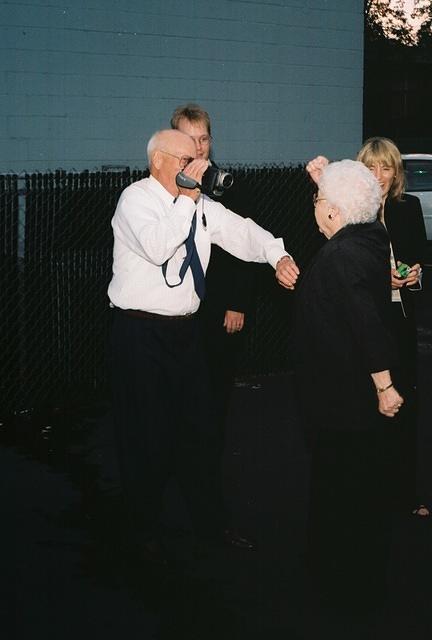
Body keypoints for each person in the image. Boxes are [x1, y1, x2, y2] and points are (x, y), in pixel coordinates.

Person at [108, 129, 299, 564]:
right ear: (157, 160)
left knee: (199, 431)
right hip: (139, 334)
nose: (194, 166)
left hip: (185, 333)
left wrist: (277, 255)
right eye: (184, 158)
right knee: (145, 436)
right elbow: (158, 248)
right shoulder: (135, 200)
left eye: (198, 157)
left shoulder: (198, 205)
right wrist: (189, 201)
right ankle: (143, 530)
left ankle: (211, 523)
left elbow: (243, 231)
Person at [278, 159, 403, 614]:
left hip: (343, 399)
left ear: (332, 212)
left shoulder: (340, 256)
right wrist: (327, 184)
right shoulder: (370, 236)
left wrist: (384, 385)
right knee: (352, 487)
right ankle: (341, 574)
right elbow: (356, 205)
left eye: (318, 201)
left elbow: (365, 323)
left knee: (343, 490)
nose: (314, 208)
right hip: (346, 399)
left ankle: (346, 591)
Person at [308, 138, 429, 516]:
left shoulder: (407, 207)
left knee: (402, 406)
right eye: (371, 167)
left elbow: (420, 257)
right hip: (364, 322)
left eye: (386, 168)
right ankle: (372, 493)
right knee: (366, 407)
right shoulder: (354, 208)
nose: (379, 176)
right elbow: (334, 251)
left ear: (396, 173)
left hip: (399, 319)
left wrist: (415, 276)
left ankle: (407, 494)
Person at [171, 103, 256, 436]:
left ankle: (209, 452)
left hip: (219, 306)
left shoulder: (230, 186)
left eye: (203, 138)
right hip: (177, 308)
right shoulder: (164, 185)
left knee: (215, 384)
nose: (198, 146)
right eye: (189, 139)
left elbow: (246, 247)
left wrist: (238, 303)